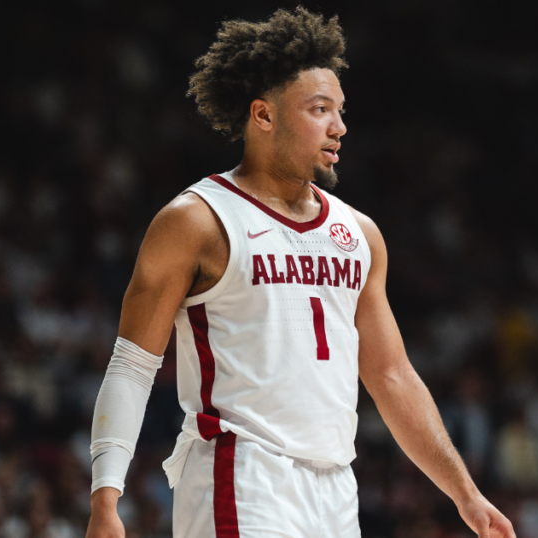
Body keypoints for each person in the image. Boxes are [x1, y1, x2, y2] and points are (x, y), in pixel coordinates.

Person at [84, 7, 515, 538]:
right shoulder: (196, 221)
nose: (340, 127)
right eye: (319, 109)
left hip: (335, 488)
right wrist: (106, 497)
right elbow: (131, 366)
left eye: (340, 110)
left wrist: (465, 494)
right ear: (263, 116)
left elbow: (392, 376)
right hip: (240, 473)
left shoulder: (359, 234)